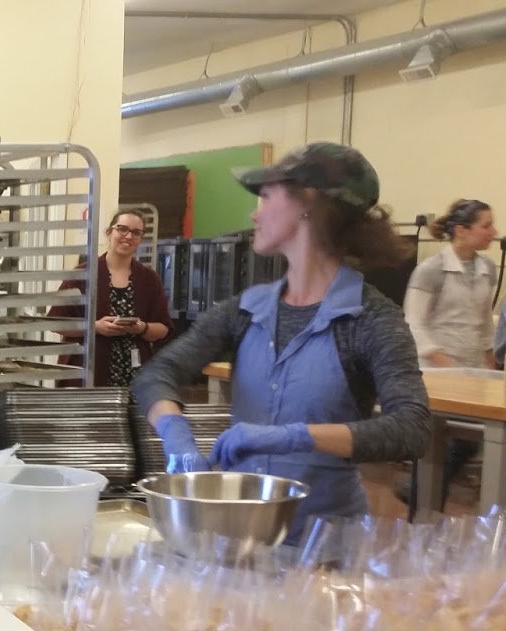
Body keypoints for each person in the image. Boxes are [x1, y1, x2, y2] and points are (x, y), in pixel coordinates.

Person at [133, 143, 431, 542]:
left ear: (307, 199)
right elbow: (157, 374)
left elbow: (411, 427)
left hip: (324, 545)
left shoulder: (369, 318)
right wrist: (175, 433)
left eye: (267, 196)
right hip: (238, 535)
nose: (254, 214)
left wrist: (296, 436)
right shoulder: (246, 310)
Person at [399, 199, 500, 503]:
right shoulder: (430, 270)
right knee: (445, 442)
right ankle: (421, 497)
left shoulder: (488, 269)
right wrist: (444, 363)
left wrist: (490, 362)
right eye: (486, 226)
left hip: (471, 371)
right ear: (461, 230)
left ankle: (418, 493)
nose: (493, 232)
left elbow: (484, 321)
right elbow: (413, 324)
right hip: (436, 371)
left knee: (471, 439)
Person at [53, 211, 174, 387]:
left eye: (136, 232)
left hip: (136, 378)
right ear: (109, 233)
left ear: (141, 239)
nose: (128, 236)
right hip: (87, 375)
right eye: (122, 229)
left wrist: (141, 328)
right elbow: (56, 323)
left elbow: (163, 328)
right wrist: (95, 327)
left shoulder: (149, 279)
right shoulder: (82, 275)